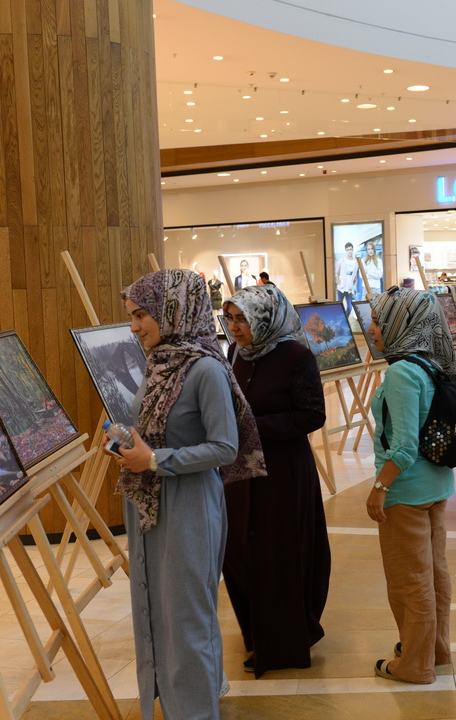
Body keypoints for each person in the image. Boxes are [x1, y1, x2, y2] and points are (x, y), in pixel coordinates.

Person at [112, 269, 266, 720]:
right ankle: (191, 697)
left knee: (186, 616)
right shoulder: (162, 361)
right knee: (160, 608)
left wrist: (156, 460)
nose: (135, 326)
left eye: (142, 314)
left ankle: (195, 711)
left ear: (173, 311)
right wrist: (130, 444)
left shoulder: (204, 369)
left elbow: (225, 446)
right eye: (131, 316)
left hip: (189, 505)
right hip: (155, 505)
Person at [221, 285, 331, 678]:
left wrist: (252, 427)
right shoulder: (236, 354)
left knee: (277, 552)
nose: (234, 327)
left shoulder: (295, 356)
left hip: (282, 472)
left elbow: (311, 416)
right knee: (239, 550)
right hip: (239, 472)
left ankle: (282, 642)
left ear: (264, 319)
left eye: (242, 318)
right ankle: (257, 633)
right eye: (230, 318)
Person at [365, 287, 456, 684]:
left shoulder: (401, 372)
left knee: (410, 583)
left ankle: (415, 663)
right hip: (435, 484)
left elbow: (402, 446)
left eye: (378, 321)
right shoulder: (429, 361)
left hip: (406, 491)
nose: (372, 329)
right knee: (434, 576)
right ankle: (435, 650)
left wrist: (379, 488)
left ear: (401, 323)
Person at [335, 242, 360, 314]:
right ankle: (341, 321)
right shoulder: (342, 260)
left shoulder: (356, 262)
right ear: (345, 251)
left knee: (349, 307)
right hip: (341, 288)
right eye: (348, 250)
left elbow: (355, 275)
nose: (349, 251)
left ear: (352, 250)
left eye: (350, 249)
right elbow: (336, 273)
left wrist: (353, 283)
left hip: (349, 289)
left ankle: (346, 318)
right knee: (339, 306)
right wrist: (338, 282)